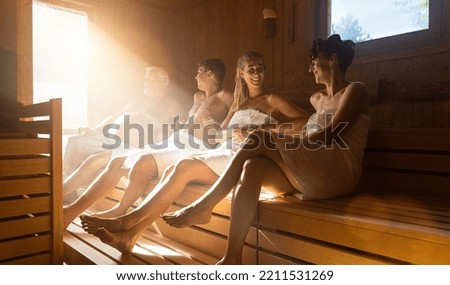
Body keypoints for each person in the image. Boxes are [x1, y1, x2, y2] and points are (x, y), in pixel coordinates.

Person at [161, 34, 371, 264]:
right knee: (253, 168)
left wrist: (272, 137)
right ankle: (232, 258)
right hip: (313, 167)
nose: (311, 68)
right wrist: (279, 140)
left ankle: (206, 205)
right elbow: (305, 133)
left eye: (315, 60)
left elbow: (331, 134)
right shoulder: (316, 100)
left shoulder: (355, 91)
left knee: (258, 136)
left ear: (332, 59)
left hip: (337, 170)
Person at [78, 51, 309, 255]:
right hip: (224, 150)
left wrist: (259, 130)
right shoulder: (240, 104)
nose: (257, 73)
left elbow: (304, 122)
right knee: (173, 168)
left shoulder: (273, 99)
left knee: (183, 167)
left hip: (243, 157)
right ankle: (130, 236)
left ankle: (127, 220)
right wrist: (214, 129)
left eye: (261, 68)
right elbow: (220, 135)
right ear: (241, 73)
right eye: (251, 69)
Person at [63, 58, 234, 229]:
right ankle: (70, 211)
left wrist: (215, 129)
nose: (196, 77)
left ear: (209, 74)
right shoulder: (198, 97)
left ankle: (119, 211)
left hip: (195, 147)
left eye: (199, 72)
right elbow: (188, 124)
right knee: (116, 162)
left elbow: (233, 127)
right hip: (176, 139)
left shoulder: (226, 96)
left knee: (140, 162)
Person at [62, 66, 181, 203]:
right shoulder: (138, 101)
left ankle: (65, 192)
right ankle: (67, 186)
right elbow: (114, 117)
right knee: (75, 141)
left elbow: (175, 130)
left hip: (131, 147)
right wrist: (94, 130)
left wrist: (158, 145)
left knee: (88, 154)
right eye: (145, 79)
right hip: (110, 140)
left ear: (162, 82)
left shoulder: (170, 105)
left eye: (148, 80)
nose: (144, 83)